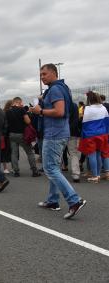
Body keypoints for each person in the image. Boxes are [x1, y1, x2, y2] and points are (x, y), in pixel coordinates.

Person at [31, 63, 86, 219]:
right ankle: (53, 200)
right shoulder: (59, 88)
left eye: (45, 74)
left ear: (54, 73)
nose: (42, 77)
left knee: (50, 168)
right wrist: (43, 99)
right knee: (53, 167)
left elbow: (60, 111)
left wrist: (39, 111)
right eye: (40, 75)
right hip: (59, 132)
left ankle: (74, 200)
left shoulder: (55, 89)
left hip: (54, 134)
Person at [78, 91, 109, 183]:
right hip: (102, 134)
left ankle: (95, 176)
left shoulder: (86, 109)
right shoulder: (103, 108)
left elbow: (81, 122)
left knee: (92, 155)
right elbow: (107, 122)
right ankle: (98, 175)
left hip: (90, 135)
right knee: (99, 154)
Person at [6, 97, 40, 177]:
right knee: (29, 152)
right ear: (18, 102)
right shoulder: (21, 110)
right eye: (21, 103)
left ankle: (16, 171)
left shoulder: (8, 112)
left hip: (11, 134)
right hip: (21, 135)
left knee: (14, 153)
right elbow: (28, 121)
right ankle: (34, 171)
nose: (22, 104)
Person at [67, 98, 81, 182]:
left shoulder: (59, 104)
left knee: (59, 153)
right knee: (73, 153)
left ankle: (56, 173)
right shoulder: (74, 105)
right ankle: (76, 174)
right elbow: (76, 120)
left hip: (61, 132)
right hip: (72, 132)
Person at [1, 100, 12, 174]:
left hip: (6, 134)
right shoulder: (5, 113)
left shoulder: (4, 112)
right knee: (4, 151)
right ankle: (5, 168)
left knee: (5, 151)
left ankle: (6, 168)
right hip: (6, 135)